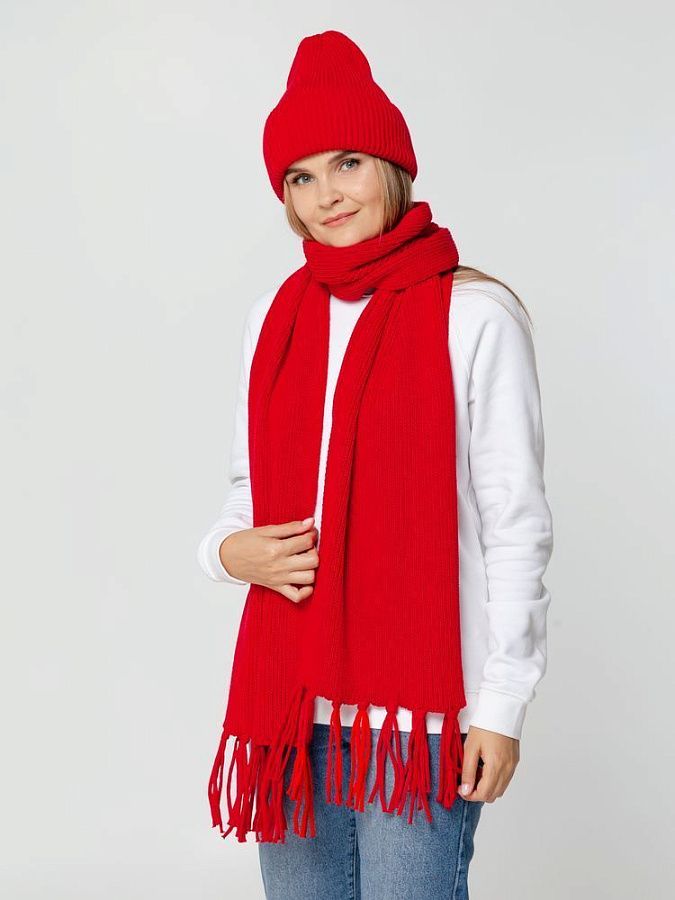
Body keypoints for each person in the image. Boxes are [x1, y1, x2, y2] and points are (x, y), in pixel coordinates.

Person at [197, 30, 553, 900]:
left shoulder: (473, 314)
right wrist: (223, 553)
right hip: (291, 706)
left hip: (419, 717)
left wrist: (500, 705)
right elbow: (249, 495)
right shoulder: (276, 318)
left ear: (392, 166)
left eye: (347, 162)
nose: (325, 194)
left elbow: (514, 523)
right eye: (299, 177)